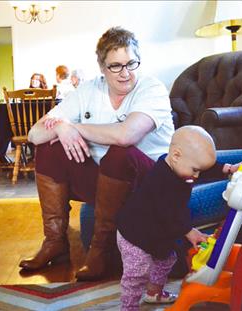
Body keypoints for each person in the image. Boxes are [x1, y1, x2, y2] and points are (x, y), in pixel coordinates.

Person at [18, 26, 175, 281]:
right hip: (108, 184)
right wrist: (59, 126)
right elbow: (35, 134)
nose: (126, 73)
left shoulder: (151, 88)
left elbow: (126, 135)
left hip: (149, 181)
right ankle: (54, 242)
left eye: (131, 63)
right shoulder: (90, 90)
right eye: (116, 66)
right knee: (49, 149)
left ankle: (100, 250)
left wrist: (71, 127)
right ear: (102, 67)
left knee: (119, 153)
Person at [116, 126, 242, 309]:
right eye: (195, 170)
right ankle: (128, 306)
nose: (197, 175)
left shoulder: (182, 165)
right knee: (137, 272)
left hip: (157, 233)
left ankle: (154, 293)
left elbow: (204, 168)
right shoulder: (160, 179)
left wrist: (229, 169)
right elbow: (167, 212)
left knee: (166, 260)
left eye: (199, 170)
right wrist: (189, 231)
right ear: (176, 155)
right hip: (134, 234)